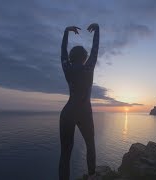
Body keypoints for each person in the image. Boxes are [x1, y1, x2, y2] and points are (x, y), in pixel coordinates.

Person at [59, 23, 99, 180]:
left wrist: (66, 31)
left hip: (67, 112)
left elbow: (62, 52)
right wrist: (97, 30)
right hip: (84, 113)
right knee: (90, 146)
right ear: (85, 57)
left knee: (65, 154)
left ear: (71, 57)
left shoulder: (66, 67)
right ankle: (92, 176)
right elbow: (95, 48)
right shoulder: (89, 67)